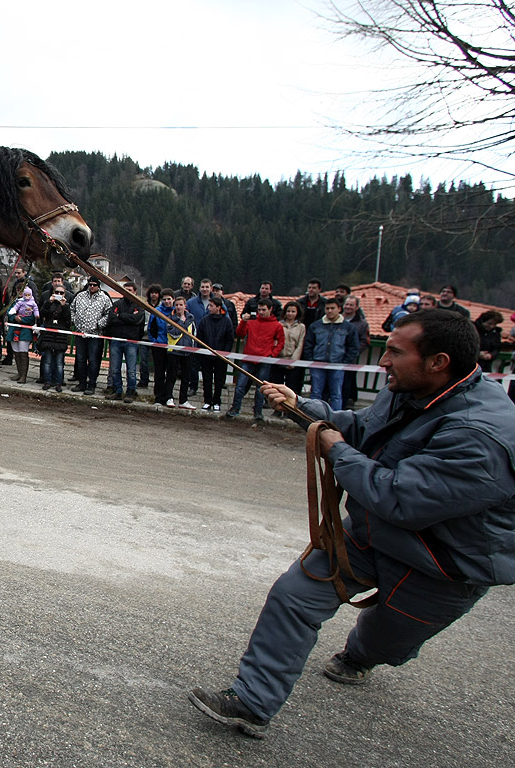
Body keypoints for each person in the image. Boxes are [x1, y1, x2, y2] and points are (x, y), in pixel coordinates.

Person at [189, 309, 515, 739]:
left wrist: (336, 451)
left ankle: (361, 657)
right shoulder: (411, 388)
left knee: (385, 641)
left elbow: (399, 499)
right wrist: (302, 409)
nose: (383, 362)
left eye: (395, 353)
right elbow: (363, 429)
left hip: (443, 565)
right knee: (294, 595)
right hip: (374, 532)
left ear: (438, 362)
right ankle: (251, 702)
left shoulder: (480, 435)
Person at [226, 298, 284, 421]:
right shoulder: (252, 322)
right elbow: (240, 333)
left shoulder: (277, 325)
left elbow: (280, 342)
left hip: (264, 359)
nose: (261, 312)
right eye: (259, 310)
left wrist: (272, 354)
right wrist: (243, 321)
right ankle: (235, 408)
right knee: (240, 385)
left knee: (261, 388)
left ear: (270, 309)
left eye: (263, 310)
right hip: (248, 358)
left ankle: (258, 412)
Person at [302, 296, 359, 411]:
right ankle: (314, 415)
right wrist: (311, 359)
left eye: (332, 308)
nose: (329, 311)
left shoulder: (348, 327)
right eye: (327, 308)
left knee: (336, 394)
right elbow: (308, 344)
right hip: (318, 364)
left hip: (337, 364)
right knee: (316, 393)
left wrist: (345, 362)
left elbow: (353, 347)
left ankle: (335, 418)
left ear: (339, 309)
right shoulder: (315, 326)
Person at [104, 281, 146, 403]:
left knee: (131, 370)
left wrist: (120, 316)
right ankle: (117, 391)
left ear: (135, 292)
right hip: (116, 340)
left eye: (130, 290)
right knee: (115, 369)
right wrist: (128, 318)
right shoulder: (116, 303)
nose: (127, 292)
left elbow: (137, 320)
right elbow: (111, 319)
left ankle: (131, 391)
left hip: (131, 341)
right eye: (125, 290)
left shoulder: (139, 305)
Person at [70, 278, 111, 395]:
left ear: (98, 286)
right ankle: (81, 383)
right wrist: (75, 320)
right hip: (80, 333)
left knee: (93, 360)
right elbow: (72, 308)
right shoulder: (80, 296)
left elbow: (109, 313)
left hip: (95, 335)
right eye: (90, 284)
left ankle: (91, 384)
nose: (92, 287)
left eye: (94, 285)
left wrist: (100, 324)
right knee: (81, 359)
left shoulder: (104, 298)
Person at [195, 295, 235, 411]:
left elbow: (229, 339)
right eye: (209, 305)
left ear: (218, 307)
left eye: (211, 306)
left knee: (219, 380)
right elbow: (200, 337)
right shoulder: (204, 320)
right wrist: (203, 351)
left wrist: (224, 353)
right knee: (206, 380)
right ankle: (207, 401)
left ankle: (217, 401)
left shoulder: (226, 321)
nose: (209, 308)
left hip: (221, 357)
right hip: (206, 356)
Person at [37, 284, 72, 393]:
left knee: (59, 362)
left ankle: (58, 383)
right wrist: (48, 302)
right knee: (47, 361)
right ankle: (47, 382)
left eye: (61, 293)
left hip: (60, 337)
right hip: (48, 336)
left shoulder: (66, 306)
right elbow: (41, 314)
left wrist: (64, 306)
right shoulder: (49, 303)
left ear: (65, 295)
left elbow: (68, 322)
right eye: (57, 292)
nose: (59, 295)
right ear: (53, 293)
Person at [163, 296, 197, 409]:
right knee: (171, 376)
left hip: (188, 351)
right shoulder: (170, 318)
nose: (178, 307)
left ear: (185, 306)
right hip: (174, 351)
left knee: (186, 377)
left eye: (181, 305)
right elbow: (174, 332)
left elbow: (194, 334)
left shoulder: (191, 318)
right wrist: (181, 323)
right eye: (177, 305)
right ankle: (169, 397)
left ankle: (183, 400)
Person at [269, 300, 305, 397]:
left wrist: (293, 361)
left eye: (293, 311)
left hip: (293, 360)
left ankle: (289, 410)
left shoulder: (301, 327)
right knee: (277, 387)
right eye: (288, 311)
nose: (290, 314)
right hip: (278, 360)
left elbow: (300, 344)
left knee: (291, 388)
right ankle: (277, 410)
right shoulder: (278, 324)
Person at [147, 289, 176, 405]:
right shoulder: (156, 312)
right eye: (164, 299)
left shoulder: (176, 311)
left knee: (171, 373)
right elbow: (151, 328)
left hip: (173, 347)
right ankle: (158, 397)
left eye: (169, 299)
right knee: (159, 372)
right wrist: (155, 341)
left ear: (173, 299)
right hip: (159, 345)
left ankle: (169, 396)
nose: (167, 301)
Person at [342, 295, 370, 407]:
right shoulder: (337, 319)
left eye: (351, 305)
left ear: (357, 307)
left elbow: (365, 341)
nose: (348, 307)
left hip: (349, 361)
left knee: (346, 385)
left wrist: (353, 353)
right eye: (346, 304)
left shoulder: (362, 324)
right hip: (333, 358)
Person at [7, 287, 38, 384]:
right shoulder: (15, 302)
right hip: (14, 330)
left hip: (25, 331)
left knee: (23, 352)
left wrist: (22, 320)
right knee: (16, 352)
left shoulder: (31, 303)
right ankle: (19, 373)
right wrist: (14, 317)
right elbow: (9, 312)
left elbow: (32, 318)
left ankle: (23, 376)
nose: (20, 293)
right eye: (18, 290)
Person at [139, 283, 162, 388]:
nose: (154, 295)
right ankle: (144, 380)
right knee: (143, 361)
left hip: (157, 337)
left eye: (156, 293)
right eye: (152, 293)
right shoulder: (144, 305)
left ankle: (159, 381)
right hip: (144, 336)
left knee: (158, 361)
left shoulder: (162, 306)